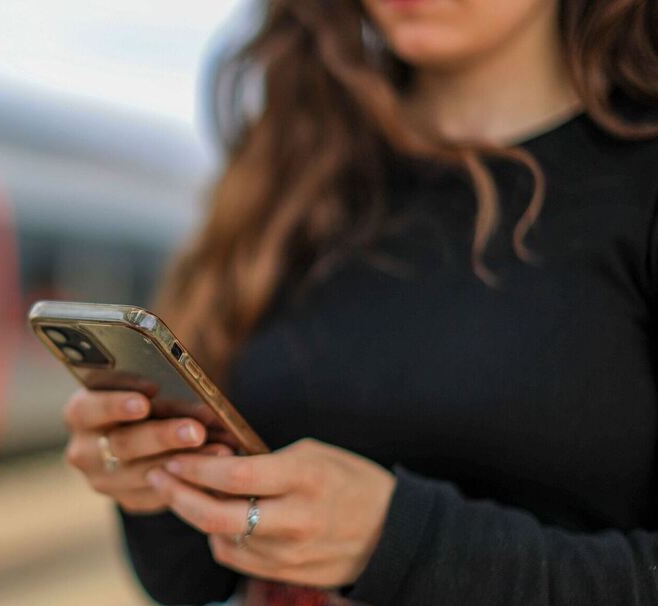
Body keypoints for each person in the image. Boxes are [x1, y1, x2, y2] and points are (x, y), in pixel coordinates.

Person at [61, 0, 658, 604]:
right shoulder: (296, 170)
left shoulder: (639, 178)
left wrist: (402, 545)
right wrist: (160, 485)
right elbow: (193, 581)